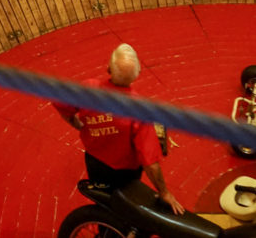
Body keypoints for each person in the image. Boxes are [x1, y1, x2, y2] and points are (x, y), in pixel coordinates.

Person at [53, 44, 185, 215]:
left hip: (96, 162)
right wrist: (164, 192)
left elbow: (58, 101)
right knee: (126, 210)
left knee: (102, 206)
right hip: (126, 173)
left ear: (108, 68)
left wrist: (74, 122)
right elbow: (150, 163)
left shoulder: (88, 89)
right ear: (137, 75)